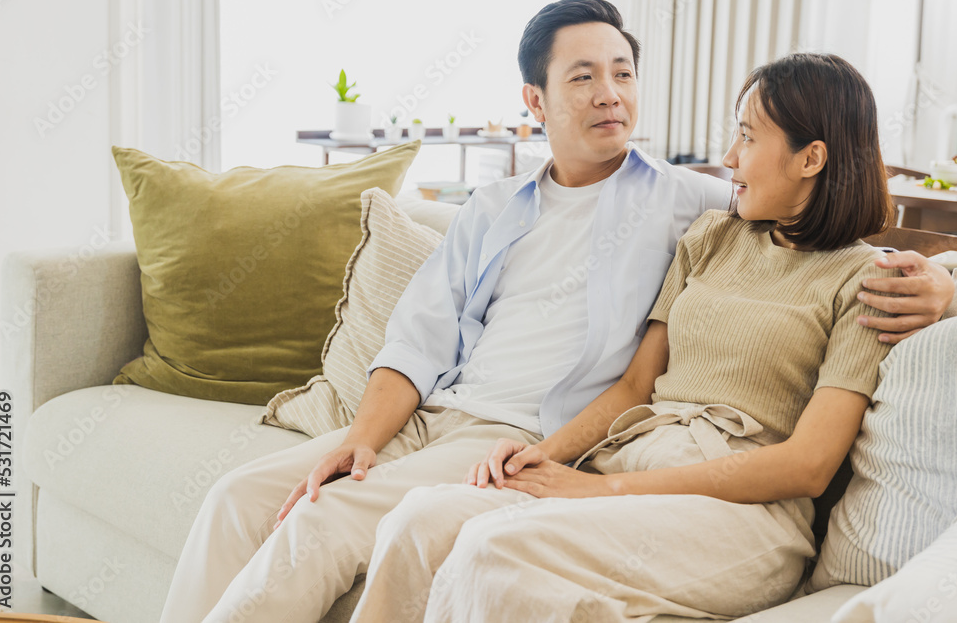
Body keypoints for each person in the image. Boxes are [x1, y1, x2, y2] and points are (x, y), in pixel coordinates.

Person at [159, 0, 953, 623]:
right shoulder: (551, 211)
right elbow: (426, 337)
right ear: (535, 99)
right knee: (238, 497)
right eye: (583, 76)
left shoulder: (691, 203)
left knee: (353, 526)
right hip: (478, 420)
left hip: (552, 437)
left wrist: (947, 280)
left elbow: (836, 220)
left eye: (622, 73)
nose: (610, 93)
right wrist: (365, 440)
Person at [348, 52, 913, 622]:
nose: (729, 157)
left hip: (742, 510)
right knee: (416, 518)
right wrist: (540, 456)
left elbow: (809, 465)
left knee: (494, 548)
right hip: (627, 458)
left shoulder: (867, 282)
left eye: (747, 137)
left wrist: (597, 493)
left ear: (811, 158)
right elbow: (637, 383)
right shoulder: (714, 237)